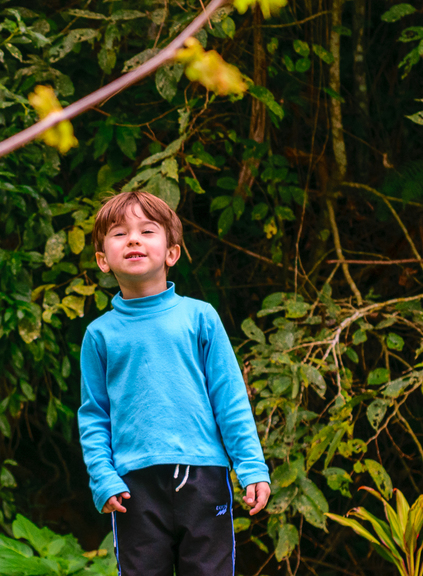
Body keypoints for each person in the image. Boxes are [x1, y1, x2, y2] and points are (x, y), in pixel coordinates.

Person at [78, 191, 271, 576]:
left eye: (147, 231)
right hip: (132, 485)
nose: (133, 240)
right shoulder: (100, 335)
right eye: (120, 234)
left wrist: (251, 466)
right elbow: (94, 416)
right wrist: (103, 477)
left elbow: (229, 398)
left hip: (204, 476)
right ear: (102, 260)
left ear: (172, 253)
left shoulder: (200, 318)